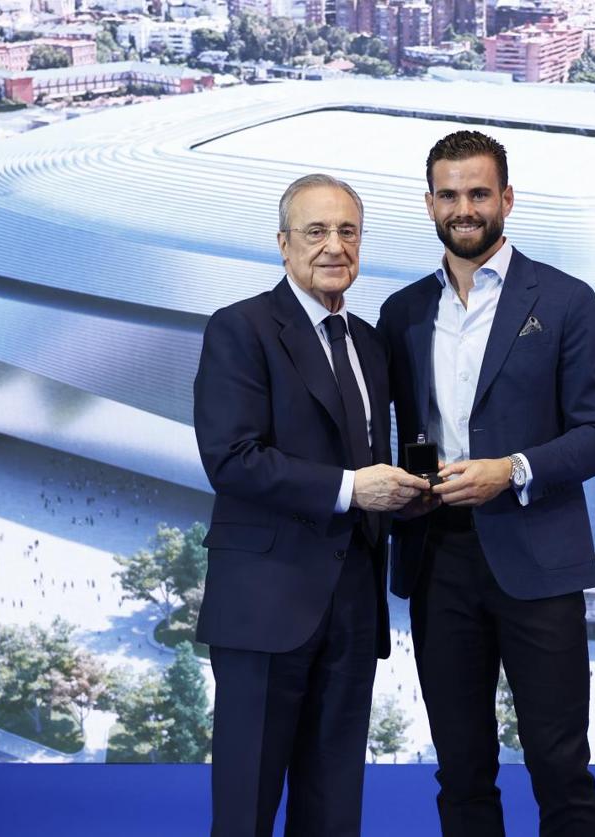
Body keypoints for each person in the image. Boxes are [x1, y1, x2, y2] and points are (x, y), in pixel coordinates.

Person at [377, 131, 595, 836]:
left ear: (506, 199)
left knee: (558, 762)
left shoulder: (568, 300)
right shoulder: (400, 313)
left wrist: (511, 470)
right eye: (449, 194)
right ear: (429, 204)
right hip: (437, 561)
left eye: (479, 193)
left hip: (537, 559)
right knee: (460, 768)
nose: (465, 208)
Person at [193, 173, 429, 837]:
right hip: (265, 609)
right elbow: (232, 459)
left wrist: (414, 495)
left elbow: (372, 455)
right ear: (283, 243)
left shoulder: (371, 343)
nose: (334, 246)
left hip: (353, 606)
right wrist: (355, 489)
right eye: (316, 231)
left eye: (347, 231)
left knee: (334, 813)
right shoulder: (240, 329)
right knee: (246, 814)